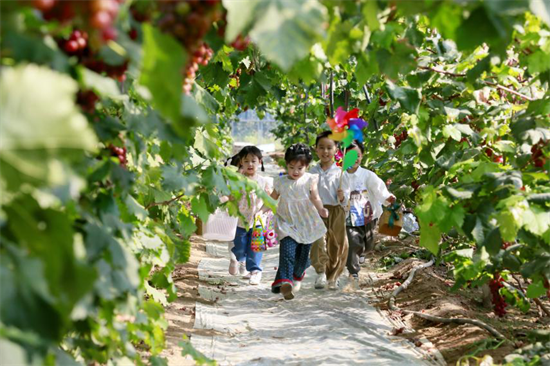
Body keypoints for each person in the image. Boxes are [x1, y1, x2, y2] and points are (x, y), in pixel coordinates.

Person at [269, 143, 328, 300]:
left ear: (306, 167)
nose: (295, 171)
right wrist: (261, 211)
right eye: (291, 167)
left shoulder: (310, 180)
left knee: (302, 255)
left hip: (306, 223)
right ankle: (285, 282)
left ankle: (297, 274)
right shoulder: (281, 182)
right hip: (286, 223)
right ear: (286, 165)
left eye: (299, 168)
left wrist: (321, 209)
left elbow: (315, 197)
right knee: (287, 252)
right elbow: (271, 199)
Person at [345, 140, 395, 287]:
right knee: (353, 242)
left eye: (358, 155)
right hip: (350, 217)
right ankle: (353, 272)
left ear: (362, 156)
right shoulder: (340, 176)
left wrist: (388, 198)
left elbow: (379, 190)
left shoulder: (368, 176)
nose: (354, 158)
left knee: (368, 243)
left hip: (369, 216)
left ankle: (361, 253)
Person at [309, 131, 351, 290]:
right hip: (317, 210)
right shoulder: (312, 172)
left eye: (329, 147)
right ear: (316, 149)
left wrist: (342, 197)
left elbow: (346, 197)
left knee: (337, 243)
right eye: (321, 147)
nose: (325, 151)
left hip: (336, 211)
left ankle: (333, 276)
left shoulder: (340, 172)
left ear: (336, 150)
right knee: (318, 241)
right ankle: (320, 272)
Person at [228, 146, 272, 285]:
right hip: (239, 221)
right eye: (246, 161)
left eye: (253, 161)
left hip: (257, 221)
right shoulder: (237, 180)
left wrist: (262, 211)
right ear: (241, 162)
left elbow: (269, 200)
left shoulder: (263, 181)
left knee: (255, 247)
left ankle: (255, 271)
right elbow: (229, 197)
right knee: (240, 247)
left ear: (260, 162)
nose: (250, 164)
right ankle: (241, 260)